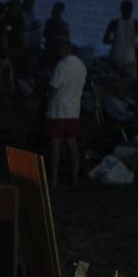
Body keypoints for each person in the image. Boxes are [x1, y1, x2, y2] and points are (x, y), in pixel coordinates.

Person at [46, 39, 87, 189]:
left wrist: (47, 96)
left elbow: (53, 88)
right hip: (74, 109)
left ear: (63, 49)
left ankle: (54, 179)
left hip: (58, 110)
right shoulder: (81, 65)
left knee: (55, 145)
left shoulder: (61, 66)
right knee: (72, 144)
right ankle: (74, 178)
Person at [103, 0, 138, 78]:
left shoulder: (114, 23)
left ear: (121, 10)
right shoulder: (137, 23)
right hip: (129, 57)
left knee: (114, 81)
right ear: (132, 10)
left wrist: (116, 40)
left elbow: (105, 40)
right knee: (130, 83)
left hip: (115, 56)